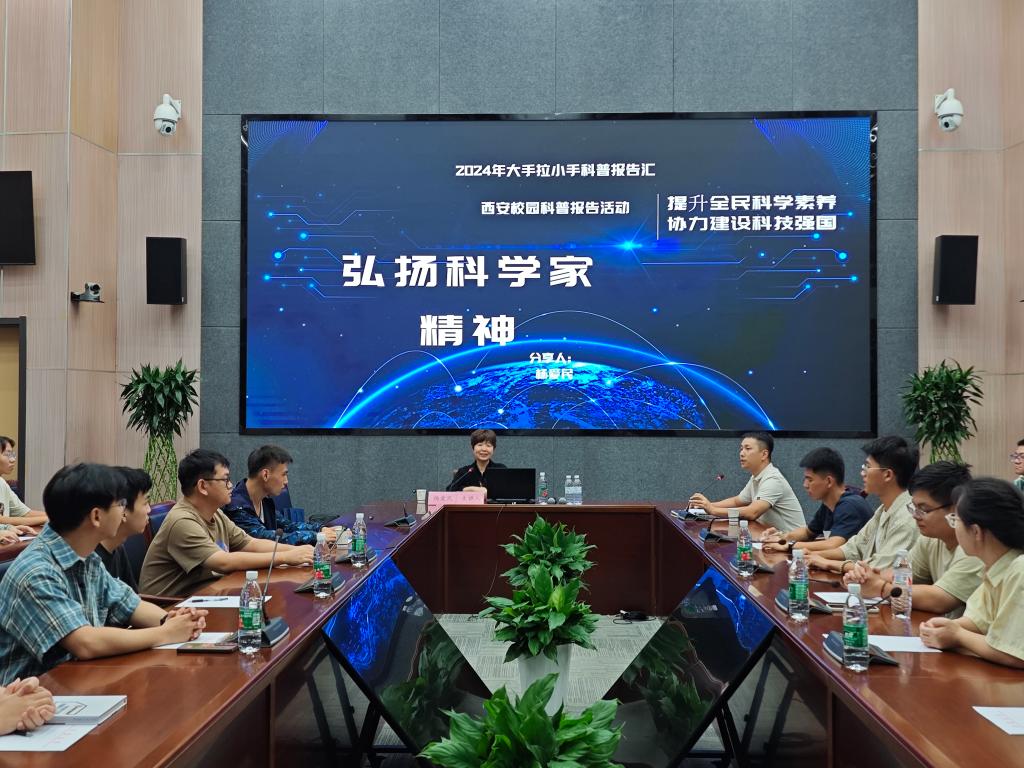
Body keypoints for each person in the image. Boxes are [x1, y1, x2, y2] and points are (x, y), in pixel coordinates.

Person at [0, 463, 207, 683]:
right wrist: (165, 633)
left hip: (80, 681)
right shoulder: (36, 572)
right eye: (121, 504)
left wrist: (172, 620)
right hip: (35, 692)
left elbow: (129, 604)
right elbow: (85, 643)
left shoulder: (86, 556)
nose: (124, 512)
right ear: (97, 516)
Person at [139, 449, 315, 597]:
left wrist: (298, 552)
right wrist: (285, 557)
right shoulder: (182, 521)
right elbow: (224, 562)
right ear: (202, 486)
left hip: (207, 593)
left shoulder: (215, 513)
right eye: (225, 480)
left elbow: (250, 543)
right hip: (170, 607)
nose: (231, 485)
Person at [844, 462, 983, 617]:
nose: (915, 516)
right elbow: (900, 575)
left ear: (956, 508)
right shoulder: (931, 539)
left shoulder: (975, 547)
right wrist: (864, 577)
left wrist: (881, 588)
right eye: (914, 508)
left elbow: (939, 599)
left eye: (923, 509)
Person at [919, 478, 1024, 668]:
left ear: (976, 531)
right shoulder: (996, 566)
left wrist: (957, 635)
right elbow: (977, 621)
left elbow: (1013, 653)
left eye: (955, 520)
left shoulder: (1019, 569)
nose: (954, 527)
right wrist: (942, 628)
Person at [805, 435, 919, 575]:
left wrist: (828, 563)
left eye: (868, 467)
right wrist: (811, 555)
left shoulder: (907, 518)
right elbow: (853, 548)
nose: (862, 473)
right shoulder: (883, 510)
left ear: (888, 475)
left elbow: (879, 569)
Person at [761, 447, 873, 554]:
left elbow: (833, 545)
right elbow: (808, 532)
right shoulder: (829, 504)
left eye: (810, 480)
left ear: (829, 481)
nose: (805, 485)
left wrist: (790, 545)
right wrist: (781, 537)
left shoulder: (850, 506)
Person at [688, 432, 805, 532]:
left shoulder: (773, 479)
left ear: (764, 454)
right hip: (769, 536)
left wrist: (713, 510)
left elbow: (752, 512)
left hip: (792, 543)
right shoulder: (757, 476)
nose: (741, 453)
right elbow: (737, 501)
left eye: (748, 449)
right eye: (741, 448)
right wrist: (705, 506)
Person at [224, 445, 338, 546]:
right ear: (265, 475)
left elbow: (288, 526)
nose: (286, 481)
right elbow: (264, 538)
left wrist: (320, 529)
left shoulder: (264, 500)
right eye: (283, 474)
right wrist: (316, 536)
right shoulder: (236, 506)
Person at [95, 467, 153, 591]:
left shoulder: (117, 547)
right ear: (123, 509)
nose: (149, 510)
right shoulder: (92, 559)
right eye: (145, 503)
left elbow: (133, 598)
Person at [0, 435, 48, 527]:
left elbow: (26, 513)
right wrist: (49, 519)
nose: (13, 460)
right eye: (7, 455)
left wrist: (56, 516)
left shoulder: (2, 483)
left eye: (12, 455)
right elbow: (1, 520)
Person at [446, 429, 506, 494]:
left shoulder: (501, 469)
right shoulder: (465, 472)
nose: (484, 449)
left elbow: (510, 491)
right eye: (480, 445)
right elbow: (449, 489)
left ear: (493, 449)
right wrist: (471, 489)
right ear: (473, 448)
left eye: (488, 445)